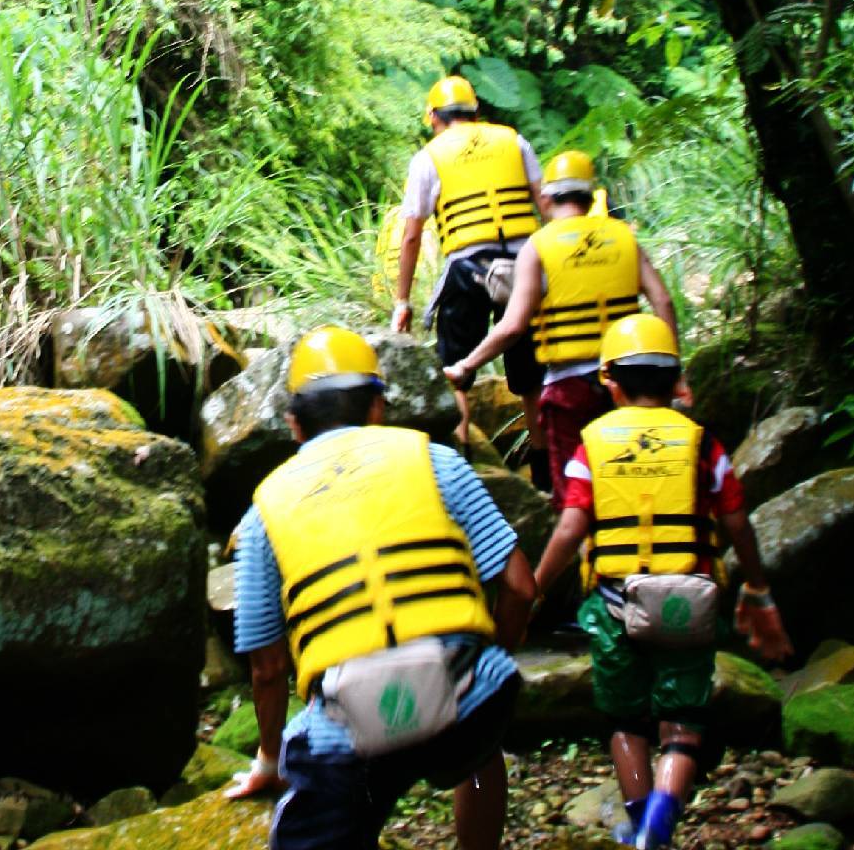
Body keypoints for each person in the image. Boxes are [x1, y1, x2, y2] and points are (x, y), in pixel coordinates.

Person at [224, 326, 536, 850]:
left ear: (293, 425)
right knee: (481, 735)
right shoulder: (436, 461)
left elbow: (268, 668)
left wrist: (269, 757)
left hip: (351, 726)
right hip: (461, 703)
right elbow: (521, 587)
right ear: (378, 408)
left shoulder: (262, 513)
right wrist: (482, 663)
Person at [526, 314, 793, 848]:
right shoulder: (702, 443)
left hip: (614, 601)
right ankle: (660, 826)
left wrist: (533, 589)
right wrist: (757, 587)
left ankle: (640, 818)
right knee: (682, 723)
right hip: (688, 600)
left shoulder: (592, 444)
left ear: (611, 383)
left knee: (625, 721)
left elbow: (572, 525)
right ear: (677, 383)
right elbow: (737, 521)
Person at [444, 149, 676, 506]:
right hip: (631, 380)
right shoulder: (624, 237)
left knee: (576, 498)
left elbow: (513, 326)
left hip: (570, 388)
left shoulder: (539, 247)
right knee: (636, 481)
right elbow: (663, 302)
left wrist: (465, 365)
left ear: (547, 197)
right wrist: (675, 373)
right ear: (590, 195)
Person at [392, 75, 547, 447]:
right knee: (532, 380)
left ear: (433, 117)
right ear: (476, 112)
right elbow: (546, 206)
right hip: (525, 265)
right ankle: (545, 477)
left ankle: (463, 466)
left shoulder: (428, 157)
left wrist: (402, 301)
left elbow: (412, 235)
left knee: (456, 374)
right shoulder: (515, 141)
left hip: (468, 269)